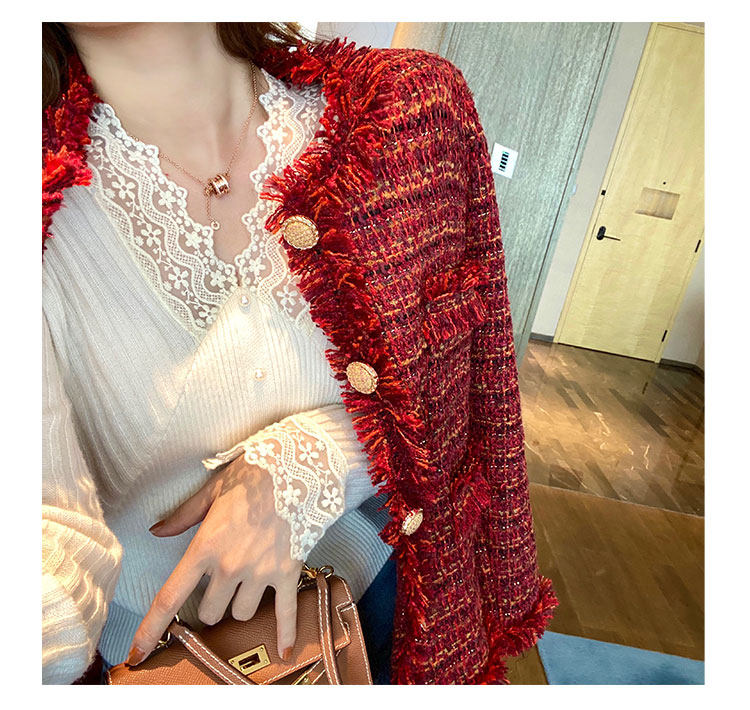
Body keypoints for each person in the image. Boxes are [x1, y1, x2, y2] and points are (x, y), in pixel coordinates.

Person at [43, 22, 557, 686]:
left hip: (389, 618)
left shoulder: (406, 115)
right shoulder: (40, 210)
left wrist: (306, 465)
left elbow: (459, 395)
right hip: (160, 664)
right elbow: (51, 532)